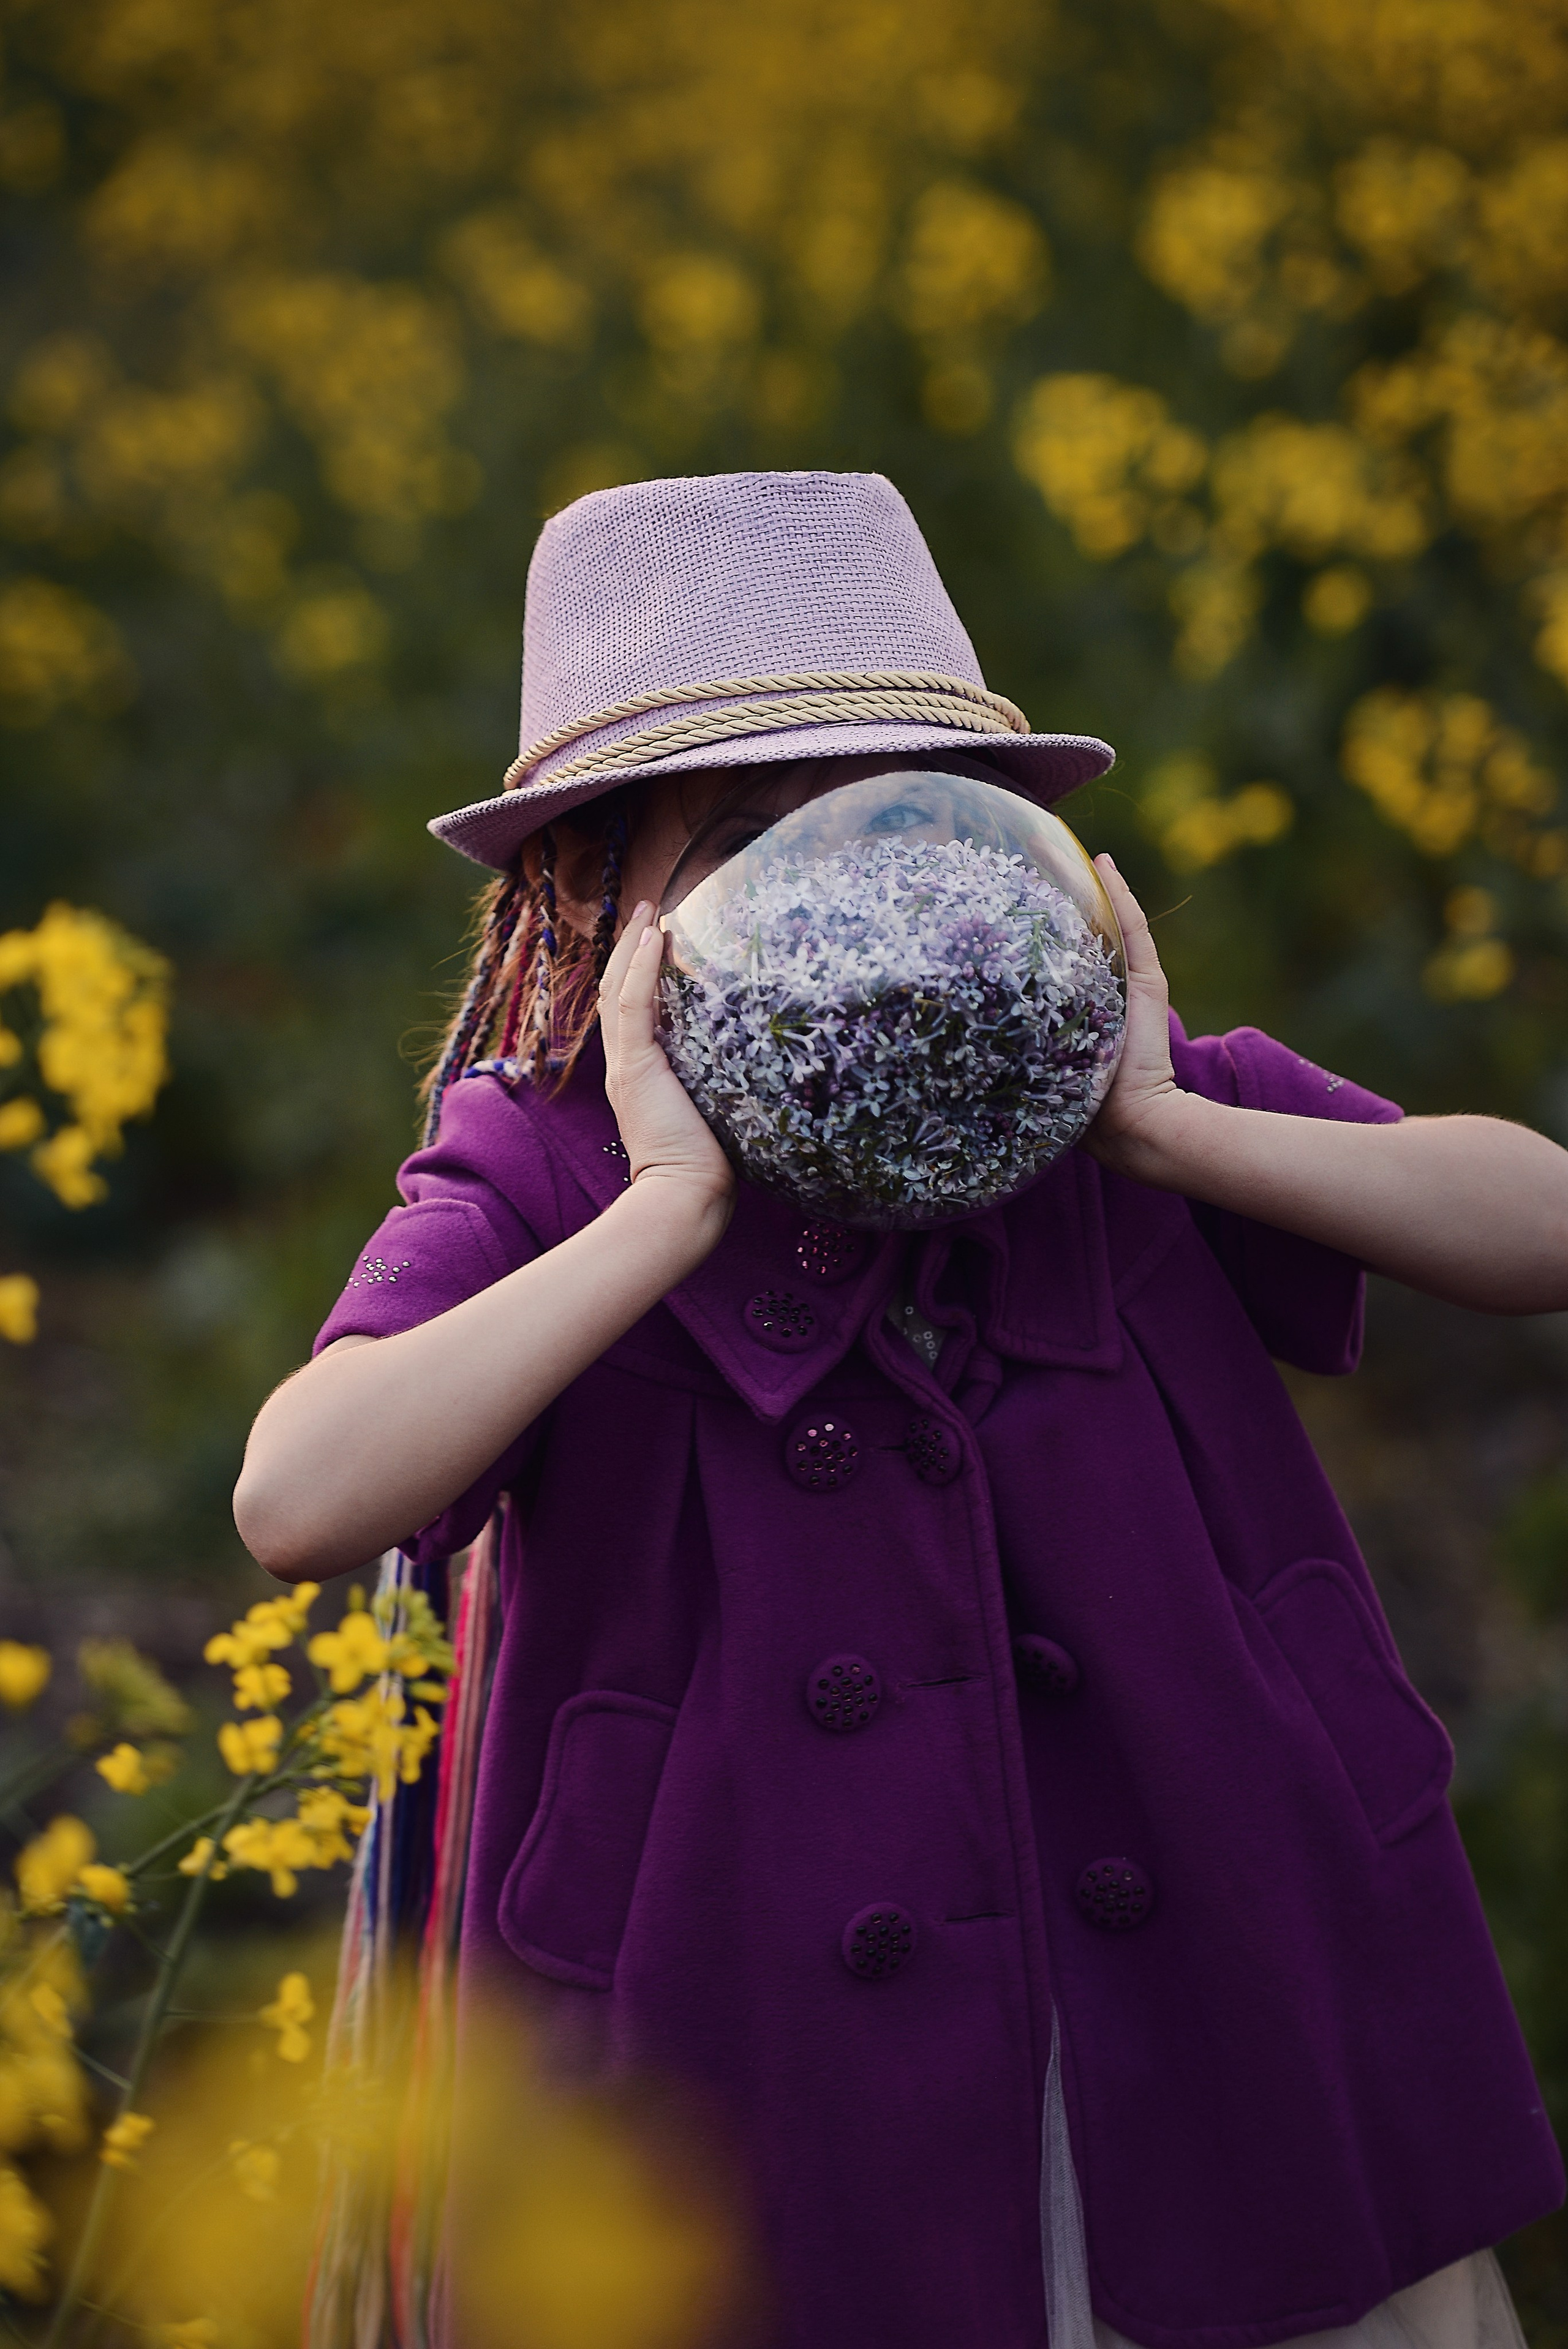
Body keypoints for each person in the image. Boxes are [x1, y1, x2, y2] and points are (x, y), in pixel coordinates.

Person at [235, 472, 1567, 2349]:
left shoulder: (1107, 1105)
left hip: (1215, 1987)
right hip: (750, 2043)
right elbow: (300, 1491)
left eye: (892, 826)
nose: (837, 902)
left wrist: (1173, 1124)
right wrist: (668, 1209)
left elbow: (1540, 1221)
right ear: (593, 897)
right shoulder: (548, 1160)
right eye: (749, 839)